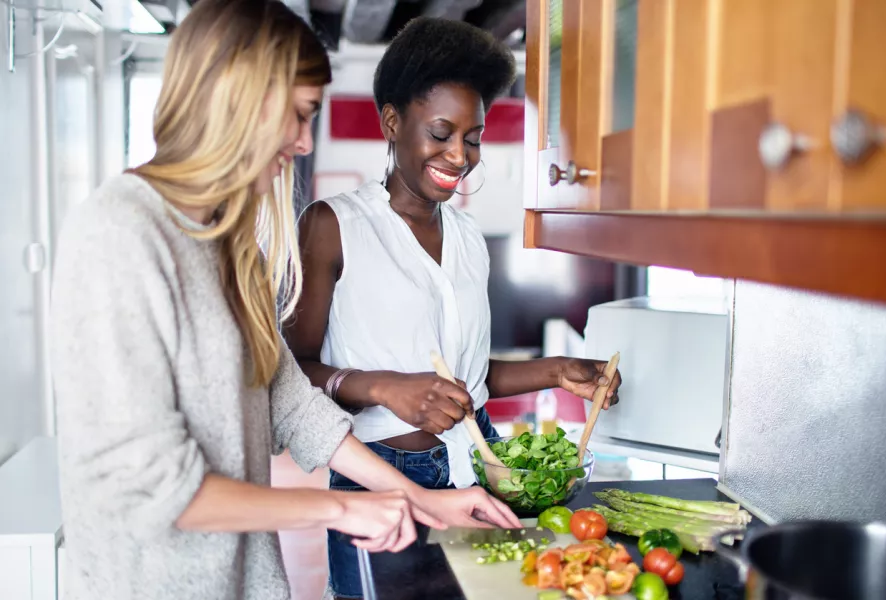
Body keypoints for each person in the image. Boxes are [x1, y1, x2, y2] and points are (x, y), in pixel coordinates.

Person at [49, 3, 520, 600]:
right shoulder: (120, 234)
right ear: (233, 99)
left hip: (248, 582)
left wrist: (416, 497)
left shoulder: (226, 241)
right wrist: (339, 511)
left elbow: (286, 398)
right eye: (296, 117)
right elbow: (149, 487)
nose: (302, 144)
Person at [284, 17, 623, 600]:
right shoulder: (333, 226)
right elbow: (290, 374)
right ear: (392, 122)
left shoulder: (467, 238)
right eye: (441, 132)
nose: (459, 156)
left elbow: (463, 380)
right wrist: (385, 387)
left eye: (472, 138)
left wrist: (556, 371)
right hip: (382, 480)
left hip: (476, 464)